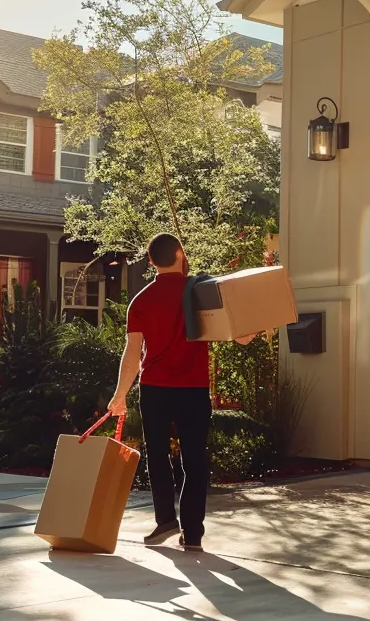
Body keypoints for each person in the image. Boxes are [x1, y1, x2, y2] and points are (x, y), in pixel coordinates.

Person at [109, 233, 254, 551]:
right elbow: (238, 335)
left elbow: (132, 353)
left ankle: (165, 520)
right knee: (194, 460)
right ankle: (193, 532)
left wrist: (120, 394)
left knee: (157, 456)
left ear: (150, 262)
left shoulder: (141, 301)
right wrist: (255, 327)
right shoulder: (200, 293)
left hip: (154, 388)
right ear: (180, 253)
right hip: (193, 388)